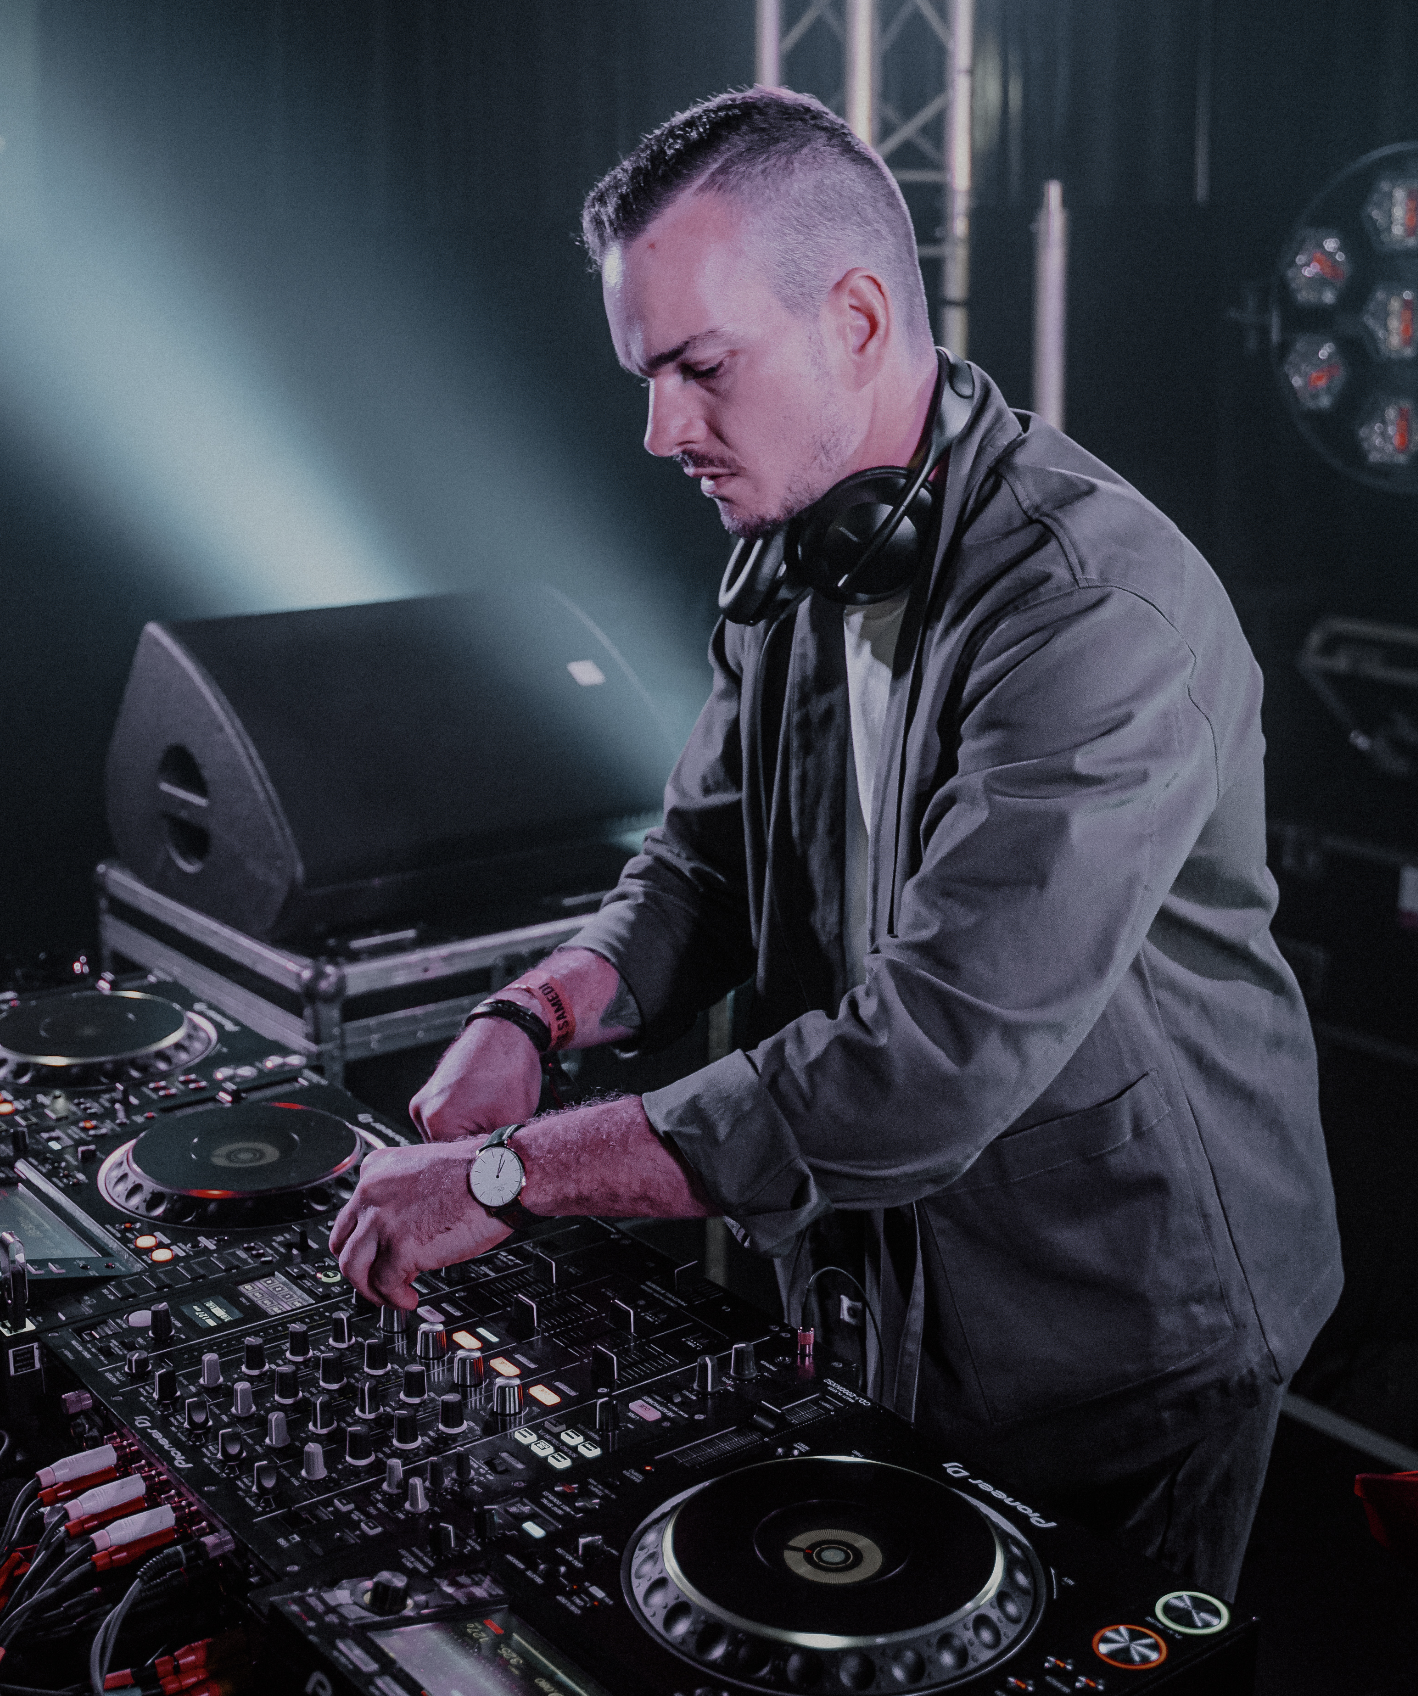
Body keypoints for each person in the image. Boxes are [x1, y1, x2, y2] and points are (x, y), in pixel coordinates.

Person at [331, 88, 1342, 1598]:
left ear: (857, 320)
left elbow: (927, 1062)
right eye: (648, 377)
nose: (662, 430)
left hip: (1126, 1325)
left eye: (700, 368)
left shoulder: (1090, 611)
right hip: (894, 1288)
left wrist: (501, 1178)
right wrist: (528, 1015)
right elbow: (696, 872)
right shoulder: (798, 546)